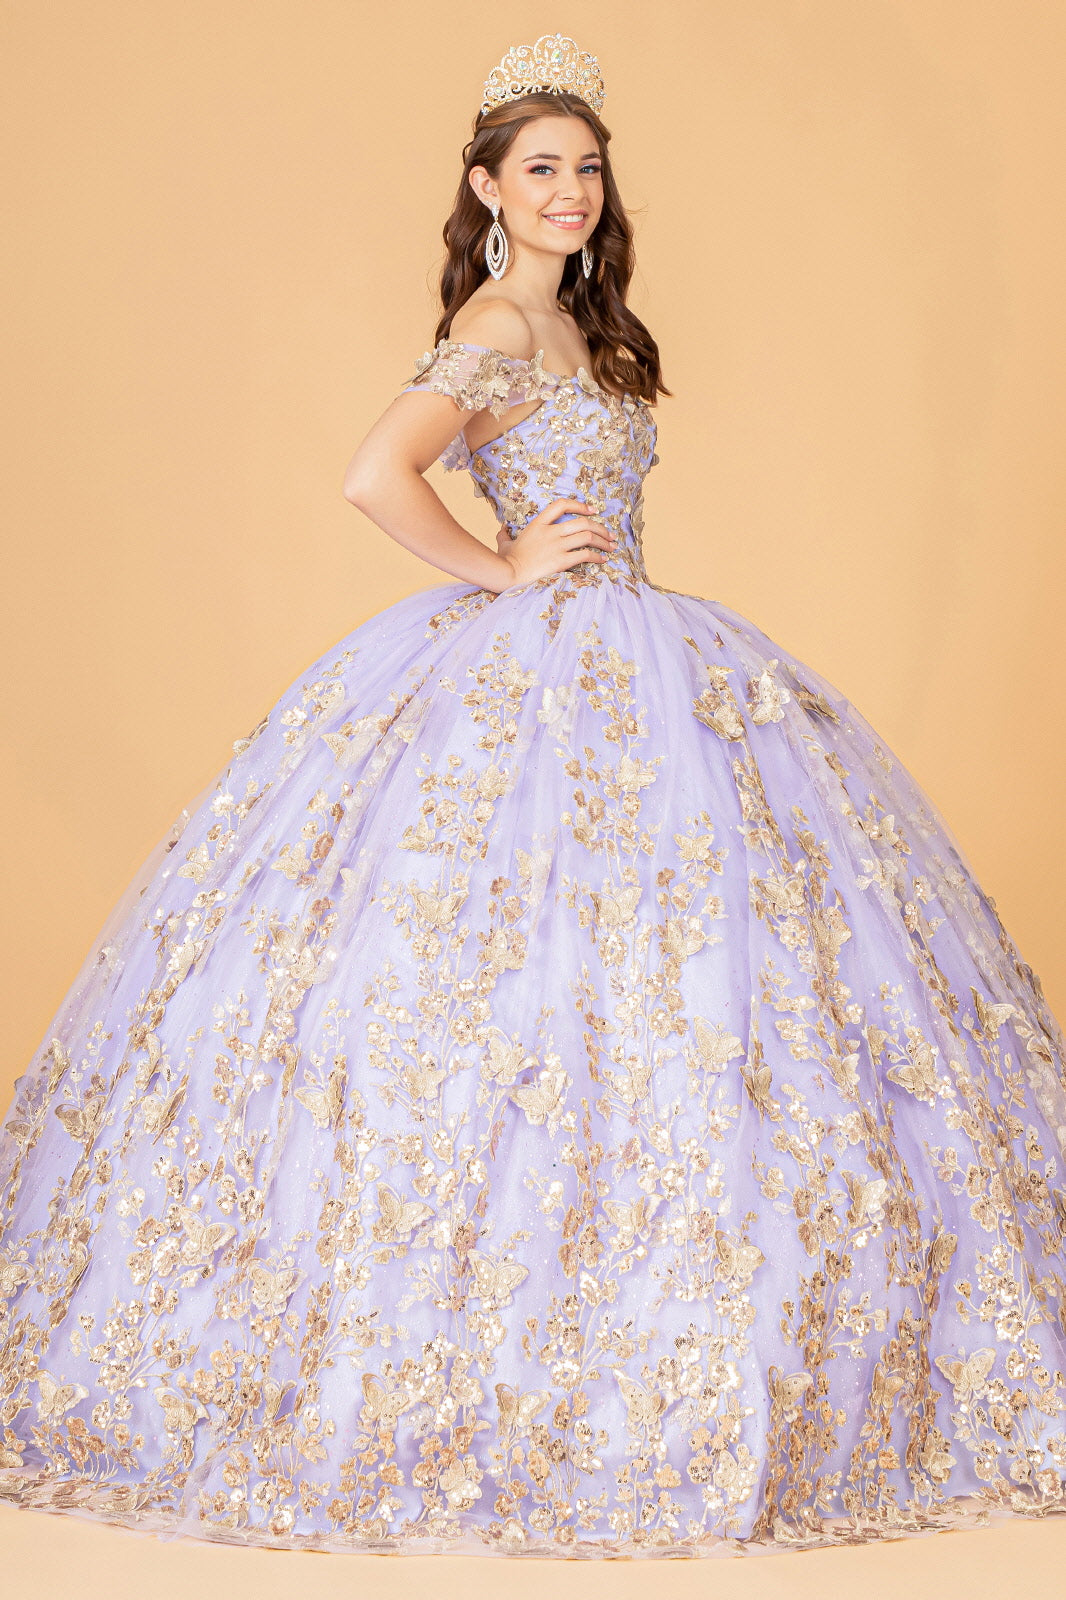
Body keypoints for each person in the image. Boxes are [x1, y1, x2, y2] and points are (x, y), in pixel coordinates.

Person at [1, 31, 1064, 1561]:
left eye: (587, 168)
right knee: (523, 971)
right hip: (543, 661)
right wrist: (498, 565)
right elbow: (376, 473)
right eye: (541, 168)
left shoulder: (583, 325)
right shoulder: (499, 318)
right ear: (487, 188)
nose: (570, 190)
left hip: (640, 657)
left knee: (659, 978)